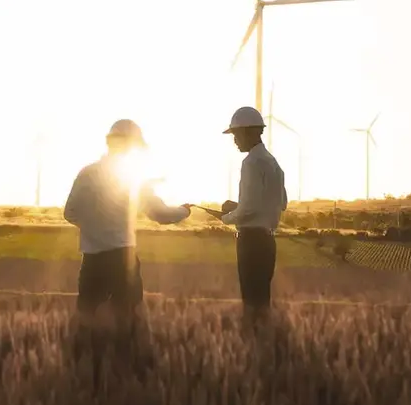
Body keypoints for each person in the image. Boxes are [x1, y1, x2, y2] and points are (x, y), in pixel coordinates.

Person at [63, 119, 191, 334]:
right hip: (122, 260)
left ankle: (88, 354)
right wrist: (184, 211)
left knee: (87, 318)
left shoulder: (86, 173)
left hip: (91, 260)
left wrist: (94, 228)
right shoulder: (133, 178)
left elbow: (69, 212)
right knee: (129, 320)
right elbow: (159, 214)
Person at [220, 106, 288, 319]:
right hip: (268, 242)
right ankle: (265, 337)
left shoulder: (250, 162)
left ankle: (254, 337)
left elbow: (248, 208)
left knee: (251, 303)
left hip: (251, 242)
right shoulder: (273, 163)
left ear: (249, 132)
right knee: (262, 302)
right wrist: (238, 206)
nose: (235, 140)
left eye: (236, 134)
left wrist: (226, 217)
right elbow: (281, 203)